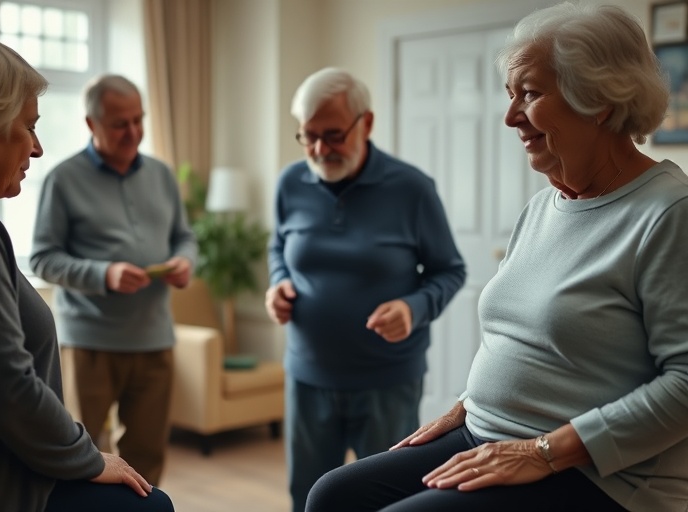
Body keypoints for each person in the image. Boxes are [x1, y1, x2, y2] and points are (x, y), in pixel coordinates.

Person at [305, 3, 688, 512]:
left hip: (602, 475)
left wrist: (544, 450)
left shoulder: (667, 213)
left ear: (597, 97)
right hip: (488, 436)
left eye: (529, 94)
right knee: (332, 494)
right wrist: (469, 405)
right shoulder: (543, 206)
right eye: (511, 96)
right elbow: (526, 339)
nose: (510, 117)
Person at [0, 31, 173, 512]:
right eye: (28, 127)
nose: (36, 149)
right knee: (150, 506)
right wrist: (87, 457)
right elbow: (1, 390)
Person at [265, 67, 467, 512]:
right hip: (307, 377)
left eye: (333, 134)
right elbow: (278, 246)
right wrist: (278, 281)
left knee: (383, 503)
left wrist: (414, 307)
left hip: (387, 384)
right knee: (308, 497)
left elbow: (449, 270)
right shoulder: (289, 183)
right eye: (308, 135)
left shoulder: (411, 189)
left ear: (367, 123)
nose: (319, 149)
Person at [30, 74, 197, 486]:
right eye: (121, 123)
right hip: (89, 343)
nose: (134, 132)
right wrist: (103, 275)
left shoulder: (161, 174)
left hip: (155, 339)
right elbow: (42, 258)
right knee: (81, 457)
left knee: (148, 456)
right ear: (92, 124)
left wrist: (184, 261)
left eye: (139, 120)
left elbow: (185, 236)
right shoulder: (63, 179)